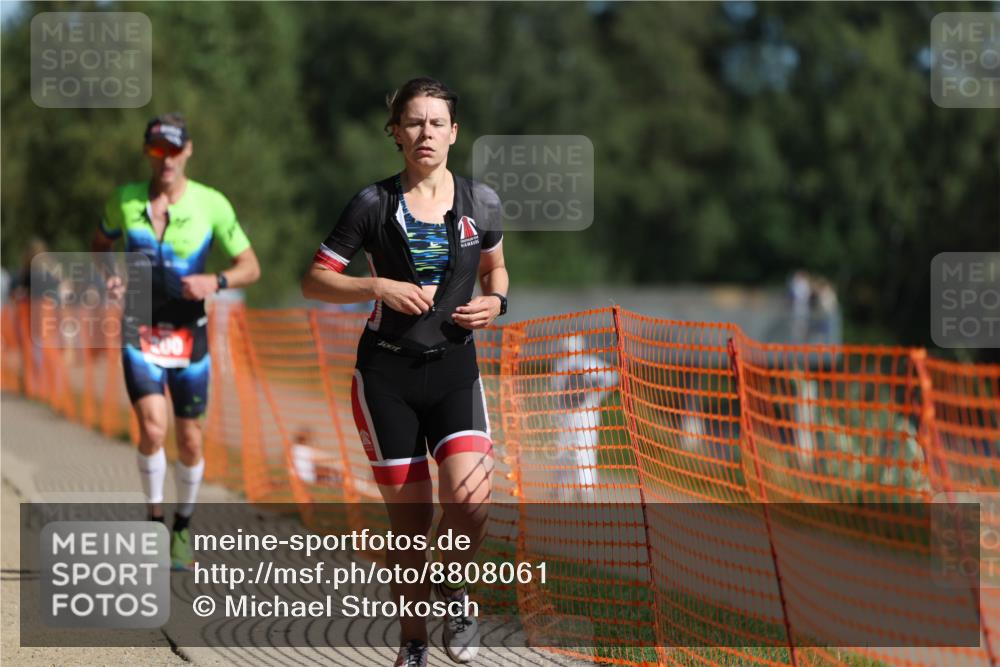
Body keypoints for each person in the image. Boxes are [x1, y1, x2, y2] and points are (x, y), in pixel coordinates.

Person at [302, 77, 507, 667]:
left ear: (454, 132)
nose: (425, 133)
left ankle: (456, 590)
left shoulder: (481, 201)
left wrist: (496, 304)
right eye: (413, 122)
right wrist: (377, 285)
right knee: (410, 527)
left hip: (455, 370)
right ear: (396, 132)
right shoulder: (372, 204)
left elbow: (497, 273)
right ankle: (413, 644)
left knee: (471, 500)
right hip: (386, 377)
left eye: (436, 122)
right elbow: (314, 280)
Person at [91, 113, 260, 570]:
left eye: (173, 150)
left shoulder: (212, 204)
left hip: (191, 337)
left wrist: (215, 280)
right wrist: (109, 277)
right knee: (151, 428)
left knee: (189, 442)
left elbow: (251, 266)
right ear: (148, 153)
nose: (165, 160)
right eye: (156, 151)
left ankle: (182, 527)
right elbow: (99, 244)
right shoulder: (123, 200)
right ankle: (153, 520)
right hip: (138, 330)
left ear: (187, 151)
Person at [551, 335, 619, 501]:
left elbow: (612, 376)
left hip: (585, 415)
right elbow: (558, 393)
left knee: (584, 452)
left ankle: (585, 492)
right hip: (566, 416)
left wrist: (594, 393)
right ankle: (561, 490)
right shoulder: (560, 366)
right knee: (563, 453)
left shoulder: (587, 363)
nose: (565, 352)